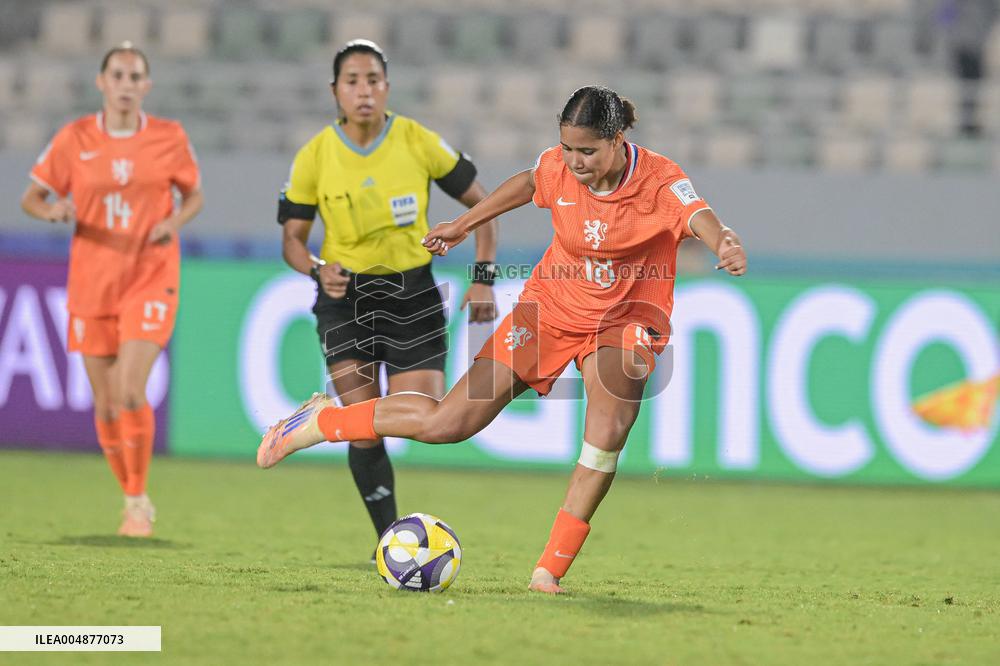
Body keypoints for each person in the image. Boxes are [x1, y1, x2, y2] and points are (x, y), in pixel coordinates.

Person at [259, 85, 747, 593]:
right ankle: (321, 421)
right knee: (448, 422)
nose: (575, 163)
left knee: (609, 427)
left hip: (624, 320)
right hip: (549, 310)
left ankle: (548, 570)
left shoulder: (660, 181)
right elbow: (528, 182)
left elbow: (700, 217)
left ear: (618, 139)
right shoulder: (557, 166)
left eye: (588, 151)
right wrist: (464, 224)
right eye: (567, 149)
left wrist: (724, 241)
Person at [276, 39, 497, 554]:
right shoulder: (315, 155)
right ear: (335, 91)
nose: (364, 91)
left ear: (387, 87)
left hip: (411, 295)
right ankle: (389, 544)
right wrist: (314, 268)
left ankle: (318, 423)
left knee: (430, 415)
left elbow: (482, 205)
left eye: (373, 80)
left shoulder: (417, 141)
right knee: (365, 427)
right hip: (346, 297)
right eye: (352, 81)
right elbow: (291, 239)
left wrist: (484, 275)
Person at [20, 42, 202, 537]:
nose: (126, 84)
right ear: (102, 82)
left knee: (128, 390)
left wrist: (174, 220)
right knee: (103, 406)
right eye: (117, 75)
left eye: (135, 76)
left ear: (146, 86)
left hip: (150, 273)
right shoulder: (73, 138)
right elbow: (32, 197)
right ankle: (132, 497)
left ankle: (138, 503)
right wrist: (53, 210)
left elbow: (194, 195)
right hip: (92, 279)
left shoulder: (168, 137)